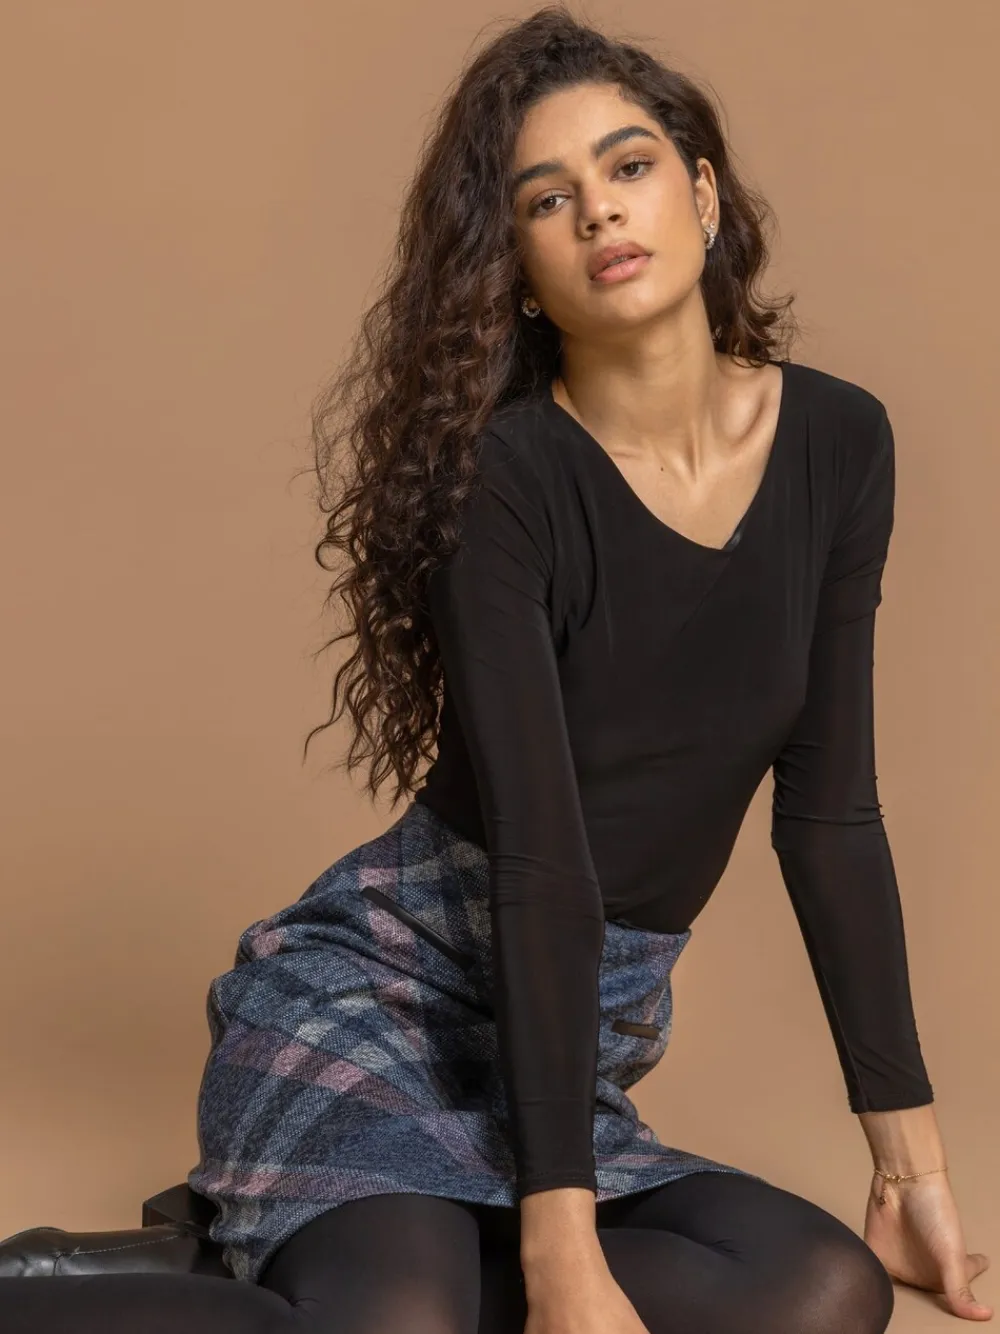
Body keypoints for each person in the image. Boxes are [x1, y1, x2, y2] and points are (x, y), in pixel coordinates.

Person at [0, 6, 991, 1332]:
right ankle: (51, 1294)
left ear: (702, 193)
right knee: (411, 1321)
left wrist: (910, 1167)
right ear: (520, 267)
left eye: (629, 167)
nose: (600, 211)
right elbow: (542, 866)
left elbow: (831, 818)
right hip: (375, 1003)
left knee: (824, 1291)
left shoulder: (839, 442)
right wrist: (562, 1249)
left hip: (566, 1046)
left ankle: (233, 1259)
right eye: (548, 198)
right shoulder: (507, 479)